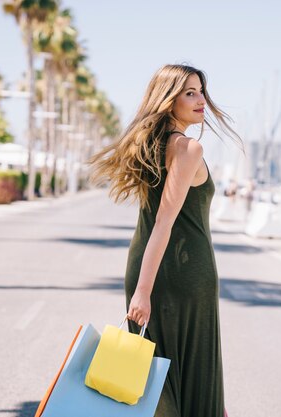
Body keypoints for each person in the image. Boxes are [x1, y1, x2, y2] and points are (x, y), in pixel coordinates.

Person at [89, 64, 241, 417]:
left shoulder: (151, 144)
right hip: (184, 273)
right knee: (190, 376)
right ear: (168, 99)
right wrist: (144, 291)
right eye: (190, 92)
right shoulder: (188, 149)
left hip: (147, 264)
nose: (201, 99)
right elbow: (164, 221)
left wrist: (142, 288)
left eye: (201, 90)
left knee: (148, 377)